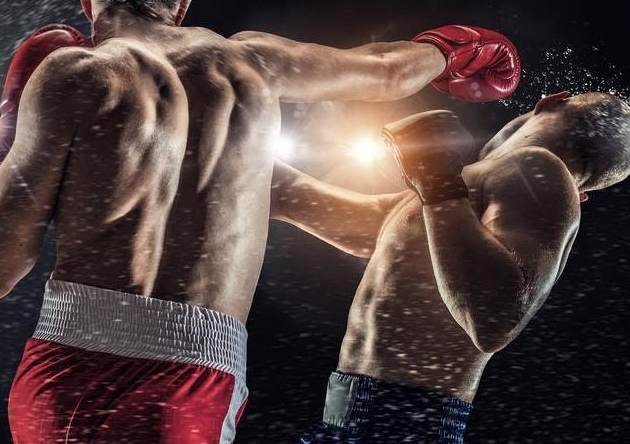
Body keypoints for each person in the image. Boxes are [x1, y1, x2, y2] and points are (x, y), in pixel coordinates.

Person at [0, 0, 521, 443]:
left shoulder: (75, 75)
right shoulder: (254, 65)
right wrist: (450, 52)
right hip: (204, 377)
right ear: (181, 5)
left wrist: (6, 151)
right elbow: (386, 72)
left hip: (77, 362)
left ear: (88, 0)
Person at [270, 91, 630, 443]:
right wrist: (236, 134)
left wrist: (436, 180)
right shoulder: (462, 194)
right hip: (353, 420)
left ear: (552, 99)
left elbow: (494, 321)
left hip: (402, 423)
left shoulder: (538, 167)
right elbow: (299, 199)